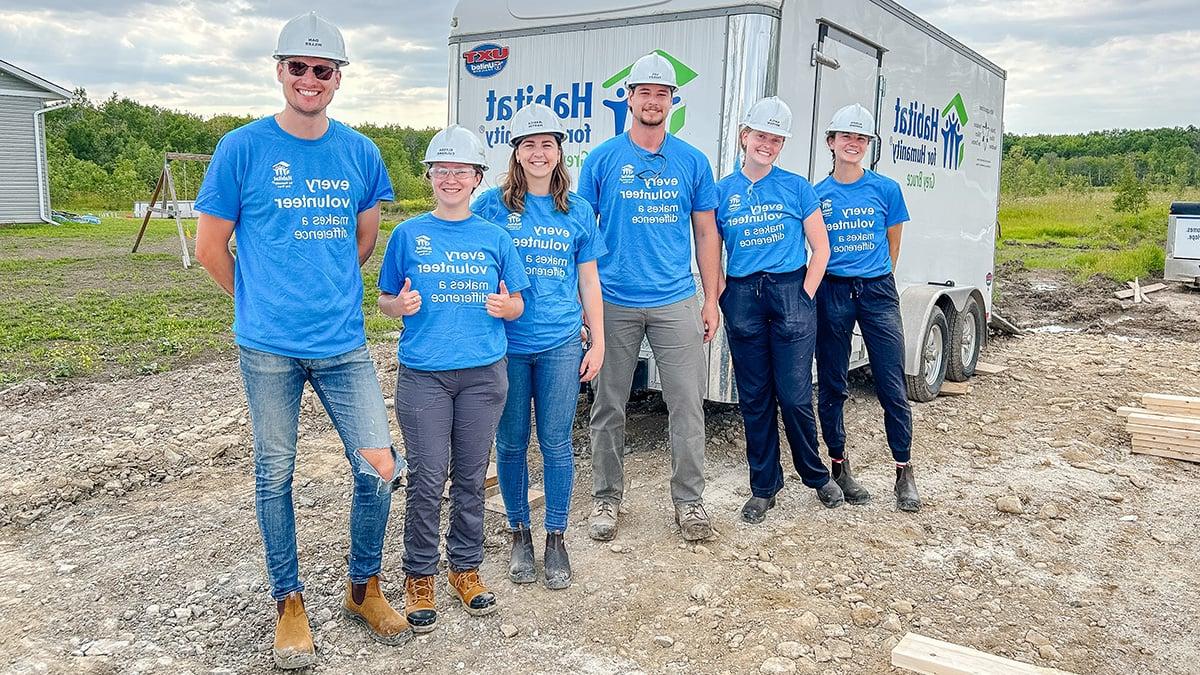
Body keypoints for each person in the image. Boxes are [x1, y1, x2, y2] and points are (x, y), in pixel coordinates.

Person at [194, 11, 409, 669]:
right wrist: (261, 305)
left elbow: (364, 240)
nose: (309, 80)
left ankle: (362, 586)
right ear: (280, 71)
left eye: (322, 70)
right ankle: (288, 600)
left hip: (342, 343)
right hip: (268, 349)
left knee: (380, 467)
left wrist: (324, 293)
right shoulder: (242, 148)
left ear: (337, 79)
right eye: (298, 68)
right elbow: (210, 247)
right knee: (275, 471)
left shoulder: (360, 153)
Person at [377, 125, 531, 632]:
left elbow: (518, 302)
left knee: (469, 475)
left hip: (484, 374)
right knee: (426, 477)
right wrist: (397, 305)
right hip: (425, 376)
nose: (450, 179)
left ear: (477, 177)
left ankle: (464, 568)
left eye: (460, 171)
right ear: (430, 176)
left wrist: (508, 306)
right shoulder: (408, 235)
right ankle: (419, 573)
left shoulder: (495, 237)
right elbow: (384, 301)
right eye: (441, 170)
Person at [578, 52, 723, 542]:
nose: (653, 101)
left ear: (672, 101)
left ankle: (690, 501)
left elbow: (706, 234)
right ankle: (605, 498)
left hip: (676, 299)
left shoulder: (692, 162)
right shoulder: (601, 160)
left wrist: (710, 298)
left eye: (663, 94)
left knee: (686, 404)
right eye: (645, 92)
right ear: (629, 97)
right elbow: (582, 237)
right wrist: (586, 306)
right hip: (614, 301)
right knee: (608, 405)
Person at [473, 104, 606, 589]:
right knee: (509, 444)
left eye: (546, 143)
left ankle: (556, 537)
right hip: (504, 346)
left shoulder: (579, 210)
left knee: (555, 443)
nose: (538, 152)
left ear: (558, 151)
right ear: (516, 151)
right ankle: (518, 534)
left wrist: (600, 340)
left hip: (559, 343)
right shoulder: (492, 207)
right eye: (528, 143)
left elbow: (589, 281)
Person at [714, 97, 839, 524]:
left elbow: (821, 248)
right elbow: (710, 251)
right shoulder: (722, 192)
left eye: (776, 139)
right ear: (745, 136)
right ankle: (764, 485)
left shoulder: (797, 187)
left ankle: (816, 475)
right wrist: (720, 295)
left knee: (795, 394)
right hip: (743, 295)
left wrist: (804, 295)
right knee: (754, 398)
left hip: (790, 291)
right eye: (761, 136)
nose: (767, 145)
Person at [813, 103, 922, 512]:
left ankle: (904, 470)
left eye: (861, 138)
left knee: (891, 383)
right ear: (832, 143)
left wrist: (877, 279)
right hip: (832, 293)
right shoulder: (816, 194)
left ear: (869, 145)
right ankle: (839, 466)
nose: (853, 144)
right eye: (846, 137)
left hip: (877, 290)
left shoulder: (886, 189)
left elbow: (893, 243)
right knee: (833, 384)